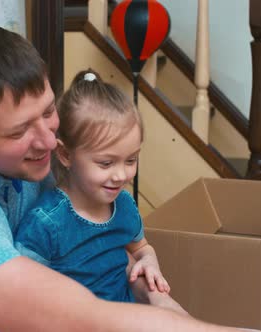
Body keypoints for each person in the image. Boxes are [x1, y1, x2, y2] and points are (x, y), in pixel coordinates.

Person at [0, 25, 253, 331]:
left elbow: (98, 246)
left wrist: (157, 298)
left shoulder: (39, 156)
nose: (50, 140)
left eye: (49, 111)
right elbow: (75, 317)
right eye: (19, 132)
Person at [15, 70, 170, 303]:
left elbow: (141, 247)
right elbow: (22, 292)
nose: (120, 175)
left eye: (131, 160)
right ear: (66, 154)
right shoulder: (46, 223)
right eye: (106, 163)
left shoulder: (125, 205)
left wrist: (149, 260)